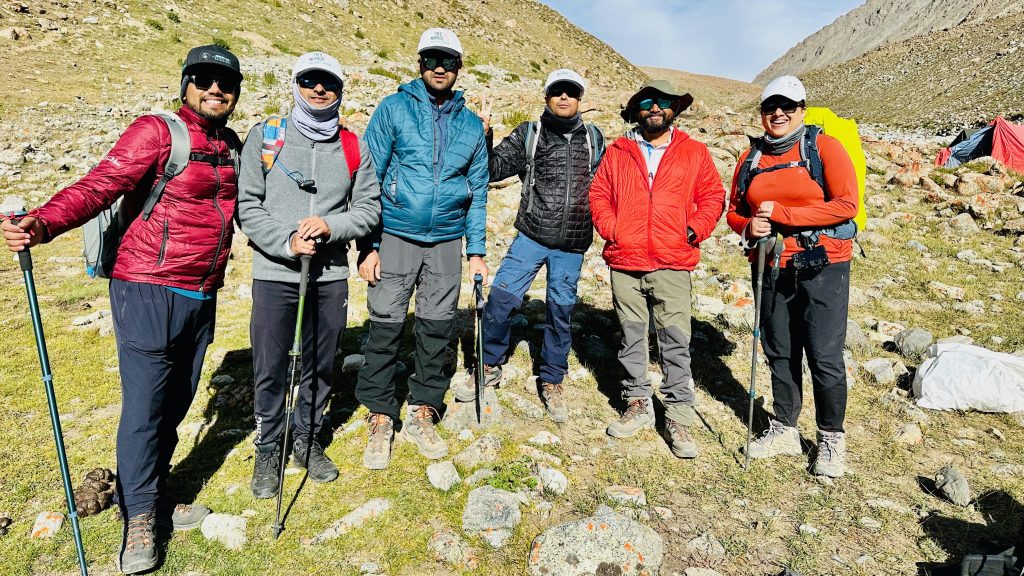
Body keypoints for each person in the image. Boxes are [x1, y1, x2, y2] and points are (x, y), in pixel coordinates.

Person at [1, 45, 243, 574]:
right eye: (203, 79)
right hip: (146, 288)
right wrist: (42, 223)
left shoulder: (230, 146)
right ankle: (136, 518)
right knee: (144, 410)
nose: (215, 89)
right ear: (185, 84)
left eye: (226, 82)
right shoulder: (156, 132)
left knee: (177, 403)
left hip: (201, 294)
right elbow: (100, 185)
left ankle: (153, 494)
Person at [237, 52, 381, 497]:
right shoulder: (267, 137)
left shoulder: (354, 146)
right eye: (310, 81)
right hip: (274, 272)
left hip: (329, 274)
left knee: (320, 362)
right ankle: (269, 445)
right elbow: (248, 205)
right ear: (295, 84)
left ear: (340, 90)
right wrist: (286, 242)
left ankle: (308, 437)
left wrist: (331, 226)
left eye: (329, 83)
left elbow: (369, 209)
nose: (319, 90)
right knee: (271, 363)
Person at [356, 28, 488, 470]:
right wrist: (368, 245)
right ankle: (379, 412)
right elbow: (368, 177)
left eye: (448, 60)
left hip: (448, 239)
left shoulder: (471, 125)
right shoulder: (393, 108)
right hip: (394, 233)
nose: (439, 67)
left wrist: (477, 251)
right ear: (419, 62)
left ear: (458, 68)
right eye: (432, 58)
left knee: (436, 327)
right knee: (386, 323)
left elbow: (478, 191)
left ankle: (424, 408)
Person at [454, 68, 604, 423]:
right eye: (557, 91)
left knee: (561, 315)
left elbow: (609, 187)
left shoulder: (595, 139)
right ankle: (489, 364)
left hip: (573, 244)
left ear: (580, 98)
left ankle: (552, 379)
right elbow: (490, 169)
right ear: (547, 96)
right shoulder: (530, 134)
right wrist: (483, 135)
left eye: (571, 92)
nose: (564, 97)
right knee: (500, 303)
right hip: (531, 237)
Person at [726, 75, 857, 478]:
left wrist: (786, 216)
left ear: (802, 109)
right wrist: (748, 227)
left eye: (788, 106)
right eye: (770, 107)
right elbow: (734, 209)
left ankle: (831, 437)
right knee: (780, 349)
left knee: (824, 355)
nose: (778, 113)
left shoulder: (824, 148)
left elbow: (847, 204)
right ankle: (785, 428)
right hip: (769, 264)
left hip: (824, 264)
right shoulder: (750, 159)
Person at [589, 80, 725, 459]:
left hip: (672, 259)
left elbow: (712, 195)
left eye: (663, 102)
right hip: (626, 259)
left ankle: (678, 413)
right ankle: (638, 402)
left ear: (673, 110)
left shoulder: (694, 152)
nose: (655, 108)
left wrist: (694, 229)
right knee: (632, 337)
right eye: (648, 101)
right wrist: (613, 231)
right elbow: (599, 193)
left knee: (676, 340)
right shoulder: (618, 151)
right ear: (637, 109)